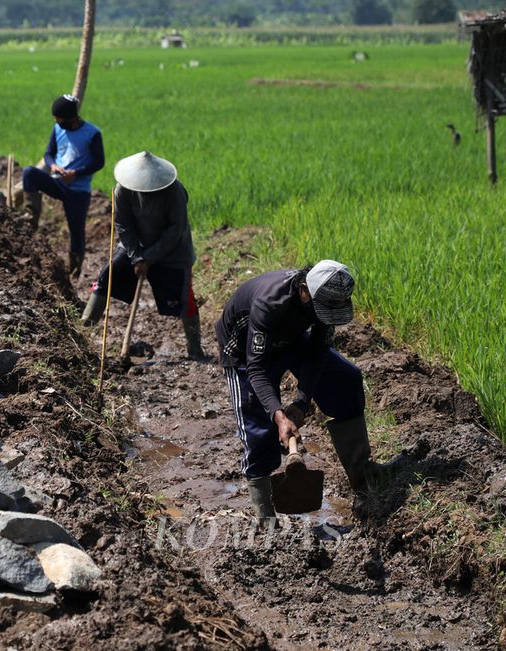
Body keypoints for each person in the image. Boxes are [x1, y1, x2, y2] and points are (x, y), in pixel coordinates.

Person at [215, 260, 380, 524]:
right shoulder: (270, 304)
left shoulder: (325, 298)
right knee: (259, 427)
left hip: (289, 338)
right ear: (304, 291)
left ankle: (364, 482)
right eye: (322, 310)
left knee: (345, 380)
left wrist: (302, 403)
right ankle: (266, 518)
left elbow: (318, 350)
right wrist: (279, 416)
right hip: (245, 351)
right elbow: (256, 368)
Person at [80, 152, 205, 357]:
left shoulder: (174, 191)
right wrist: (137, 257)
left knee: (185, 298)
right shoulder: (122, 190)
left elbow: (176, 229)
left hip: (173, 250)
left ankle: (195, 348)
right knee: (106, 278)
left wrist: (150, 256)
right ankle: (81, 334)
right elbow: (124, 225)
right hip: (134, 247)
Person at [22, 93, 104, 279]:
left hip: (78, 191)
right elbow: (48, 154)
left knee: (77, 231)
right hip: (57, 181)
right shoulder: (58, 129)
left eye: (59, 118)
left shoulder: (92, 133)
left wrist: (76, 173)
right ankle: (30, 219)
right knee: (29, 173)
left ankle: (74, 272)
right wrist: (53, 166)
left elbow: (99, 162)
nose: (56, 121)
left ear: (70, 118)